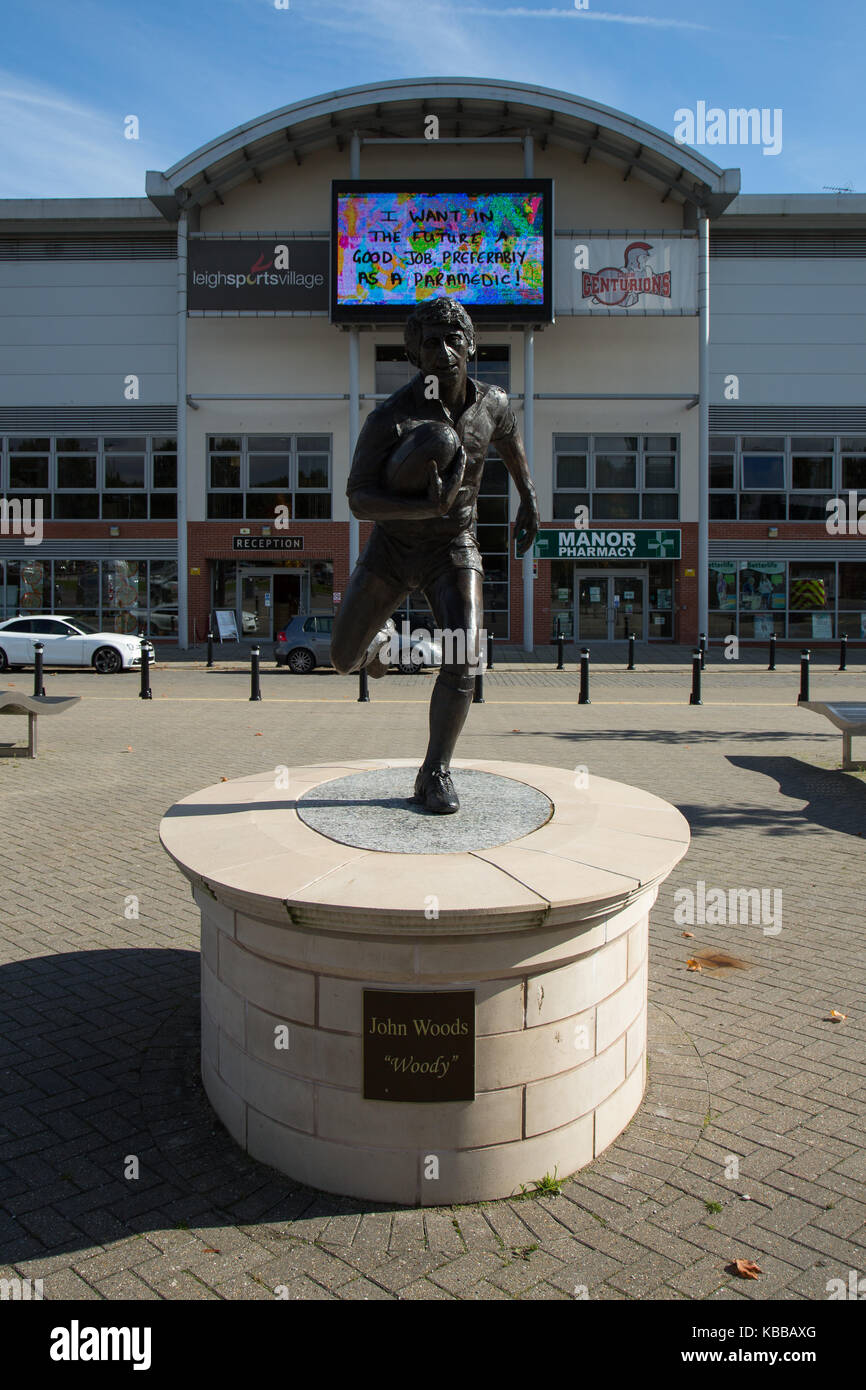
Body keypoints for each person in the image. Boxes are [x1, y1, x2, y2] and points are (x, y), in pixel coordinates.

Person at [331, 296, 539, 813]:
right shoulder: (391, 417)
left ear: (471, 343)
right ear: (415, 355)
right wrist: (419, 507)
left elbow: (509, 441)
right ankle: (379, 641)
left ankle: (435, 771)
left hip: (453, 546)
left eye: (453, 338)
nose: (443, 350)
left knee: (466, 651)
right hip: (394, 548)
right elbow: (358, 498)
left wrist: (530, 499)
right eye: (430, 342)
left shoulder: (493, 402)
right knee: (340, 658)